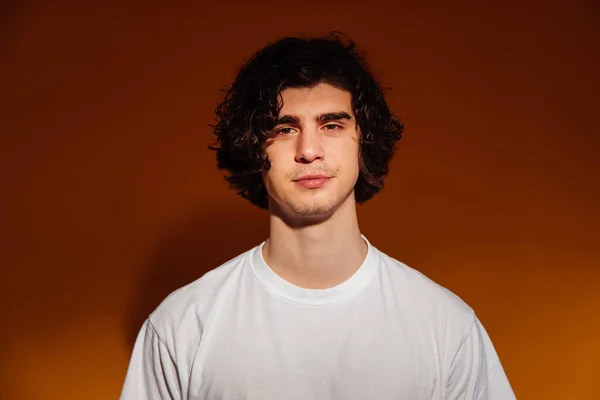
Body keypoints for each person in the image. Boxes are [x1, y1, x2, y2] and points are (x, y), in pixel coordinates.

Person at [120, 32, 516, 399]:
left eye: (331, 124)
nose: (309, 150)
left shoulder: (446, 326)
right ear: (254, 150)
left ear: (364, 142)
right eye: (284, 129)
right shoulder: (182, 326)